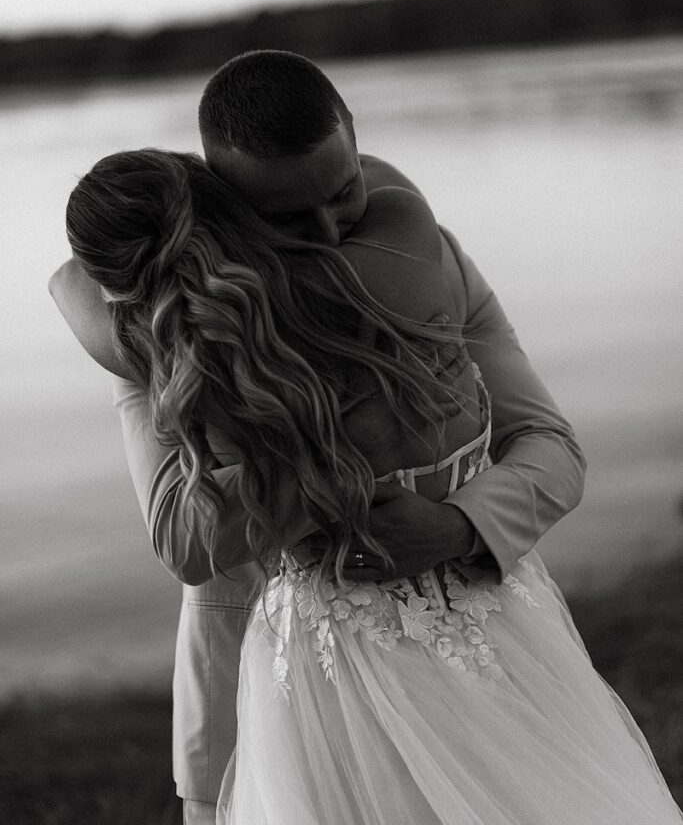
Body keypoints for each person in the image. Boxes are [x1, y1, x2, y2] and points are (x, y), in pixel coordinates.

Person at [64, 147, 682, 824]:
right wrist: (343, 450)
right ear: (234, 200)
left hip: (482, 633)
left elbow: (550, 444)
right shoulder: (149, 325)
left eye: (342, 196)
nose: (325, 231)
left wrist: (458, 527)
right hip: (272, 679)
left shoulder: (421, 259)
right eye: (291, 215)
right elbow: (183, 536)